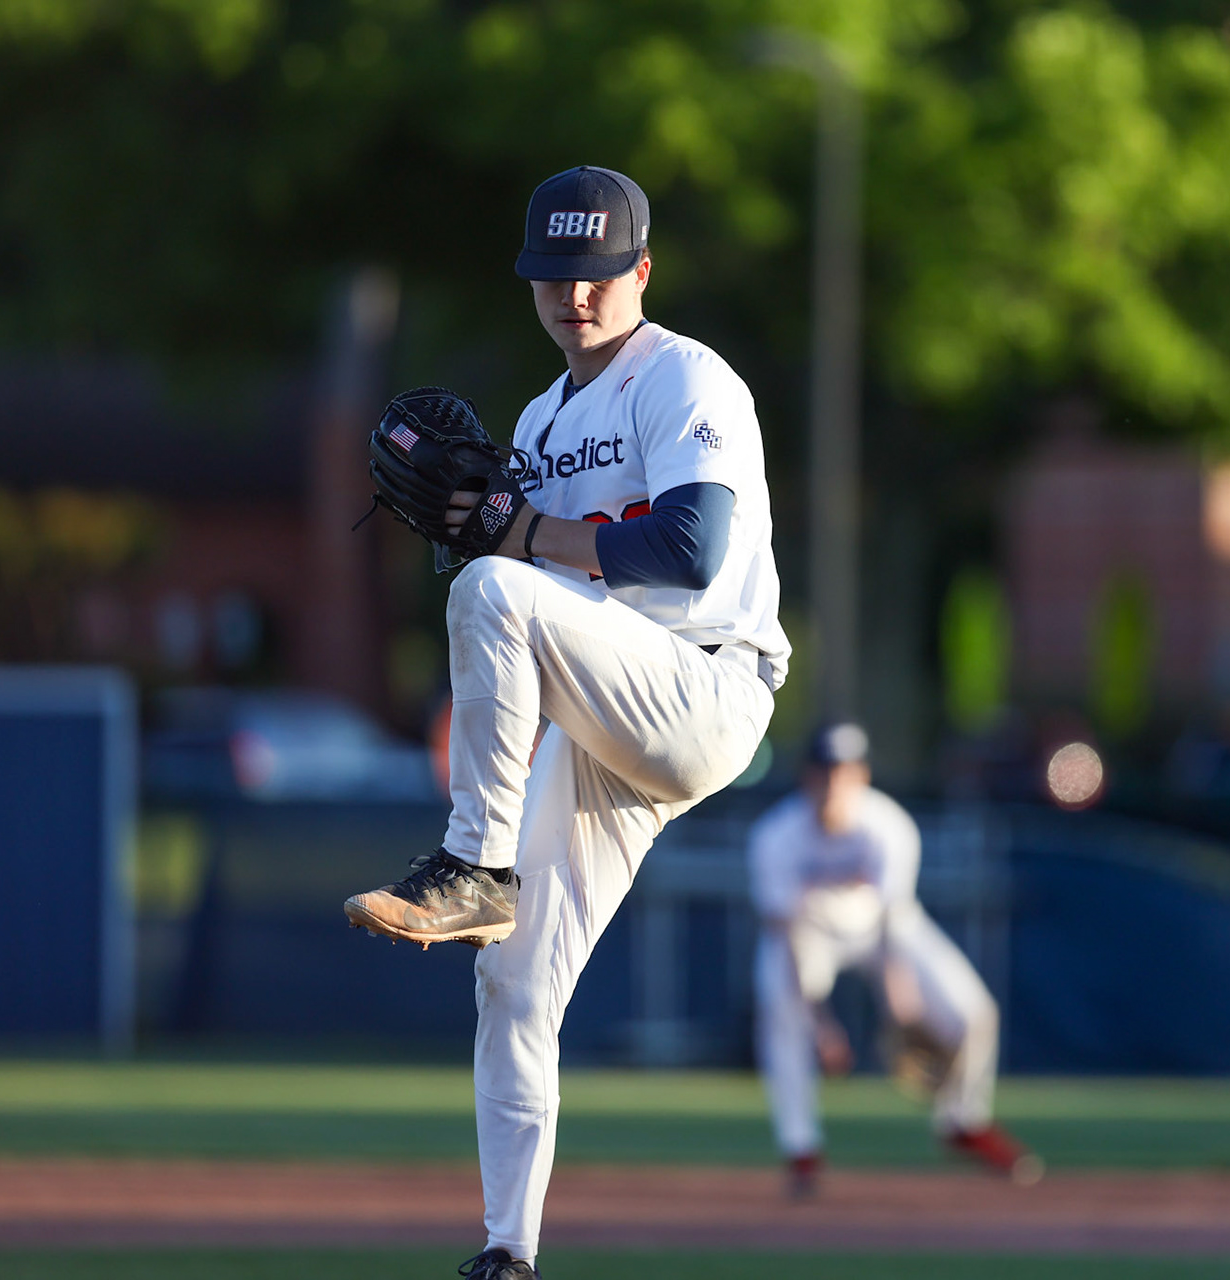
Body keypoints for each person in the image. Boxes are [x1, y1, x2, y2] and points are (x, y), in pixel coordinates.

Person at [344, 165, 788, 1280]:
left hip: (704, 683)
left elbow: (688, 550)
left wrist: (520, 532)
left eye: (597, 273)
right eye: (554, 273)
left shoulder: (685, 377)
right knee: (511, 981)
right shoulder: (542, 417)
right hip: (605, 718)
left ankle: (472, 864)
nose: (574, 296)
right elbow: (514, 557)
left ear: (639, 269)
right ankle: (509, 1248)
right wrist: (479, 525)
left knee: (492, 592)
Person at [748, 722, 1041, 1198]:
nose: (832, 785)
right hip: (808, 936)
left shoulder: (888, 826)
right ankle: (801, 1149)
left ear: (861, 776)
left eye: (843, 773)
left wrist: (899, 1008)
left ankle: (962, 1121)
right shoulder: (776, 837)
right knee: (780, 1009)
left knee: (973, 1013)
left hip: (882, 931)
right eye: (823, 773)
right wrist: (822, 1024)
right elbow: (789, 936)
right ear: (807, 778)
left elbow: (891, 924)